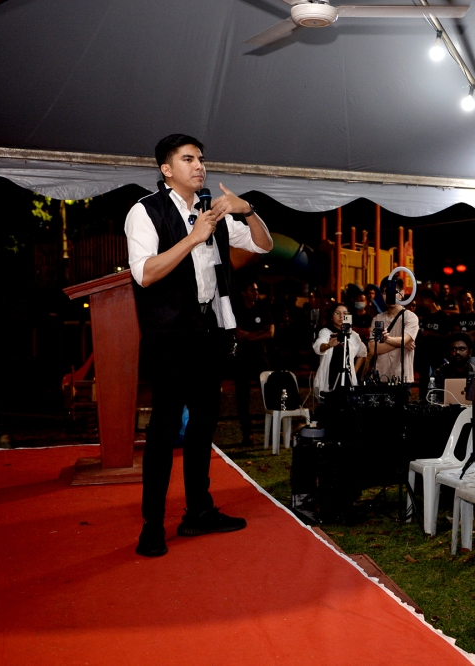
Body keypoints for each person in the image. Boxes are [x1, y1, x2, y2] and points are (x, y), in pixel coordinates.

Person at [125, 134, 273, 557]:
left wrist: (248, 210)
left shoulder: (214, 213)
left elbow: (263, 244)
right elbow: (145, 274)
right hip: (170, 334)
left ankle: (199, 511)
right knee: (165, 428)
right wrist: (193, 237)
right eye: (188, 159)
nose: (199, 166)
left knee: (204, 424)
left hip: (210, 330)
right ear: (166, 169)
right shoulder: (144, 211)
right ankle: (152, 525)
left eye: (201, 159)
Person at [232, 280, 273, 447]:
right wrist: (258, 333)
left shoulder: (263, 308)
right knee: (242, 398)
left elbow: (270, 333)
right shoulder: (237, 309)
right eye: (251, 290)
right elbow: (237, 334)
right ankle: (247, 433)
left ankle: (273, 431)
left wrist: (248, 336)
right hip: (242, 359)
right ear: (244, 293)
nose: (255, 293)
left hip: (260, 358)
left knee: (269, 394)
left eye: (256, 290)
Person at [367, 276, 419, 384]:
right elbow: (372, 349)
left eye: (394, 292)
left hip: (402, 379)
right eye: (385, 292)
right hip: (380, 378)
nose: (389, 295)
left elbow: (404, 340)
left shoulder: (410, 317)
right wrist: (401, 344)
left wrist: (386, 339)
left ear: (402, 293)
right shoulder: (377, 318)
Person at [432, 332, 475, 411]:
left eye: (462, 349)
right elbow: (432, 400)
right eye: (454, 349)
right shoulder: (439, 374)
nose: (457, 352)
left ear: (470, 352)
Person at [312, 304, 367, 395]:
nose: (341, 316)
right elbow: (318, 346)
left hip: (347, 380)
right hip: (330, 377)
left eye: (345, 313)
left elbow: (363, 352)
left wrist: (353, 371)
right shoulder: (326, 332)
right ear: (331, 316)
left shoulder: (353, 335)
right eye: (337, 313)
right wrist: (328, 345)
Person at [415, 289, 450, 398]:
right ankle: (423, 399)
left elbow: (447, 335)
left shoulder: (443, 317)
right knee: (424, 378)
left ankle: (439, 398)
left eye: (423, 300)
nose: (422, 302)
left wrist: (431, 333)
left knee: (438, 377)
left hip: (438, 353)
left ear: (430, 300)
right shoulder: (424, 316)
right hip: (424, 353)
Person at [452, 290, 475, 371]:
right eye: (463, 299)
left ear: (473, 300)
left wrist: (464, 335)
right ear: (460, 302)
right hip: (461, 357)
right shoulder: (456, 318)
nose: (467, 301)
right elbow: (457, 335)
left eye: (468, 299)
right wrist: (473, 332)